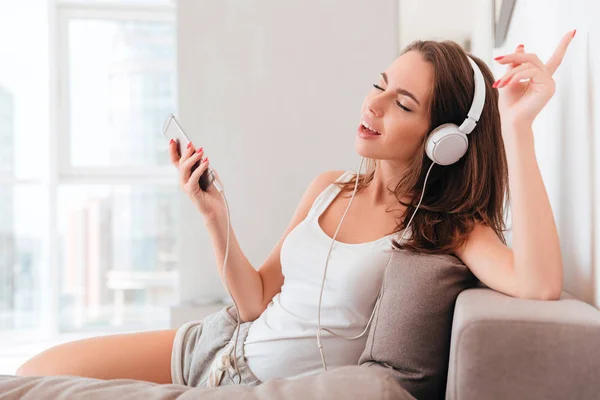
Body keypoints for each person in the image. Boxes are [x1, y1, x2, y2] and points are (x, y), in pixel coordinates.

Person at [15, 30, 575, 386]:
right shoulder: (330, 186)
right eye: (378, 85)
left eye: (401, 103)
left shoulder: (447, 229)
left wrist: (517, 129)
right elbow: (256, 298)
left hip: (254, 382)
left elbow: (540, 282)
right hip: (215, 344)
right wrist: (216, 216)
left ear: (445, 140)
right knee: (34, 372)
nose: (373, 105)